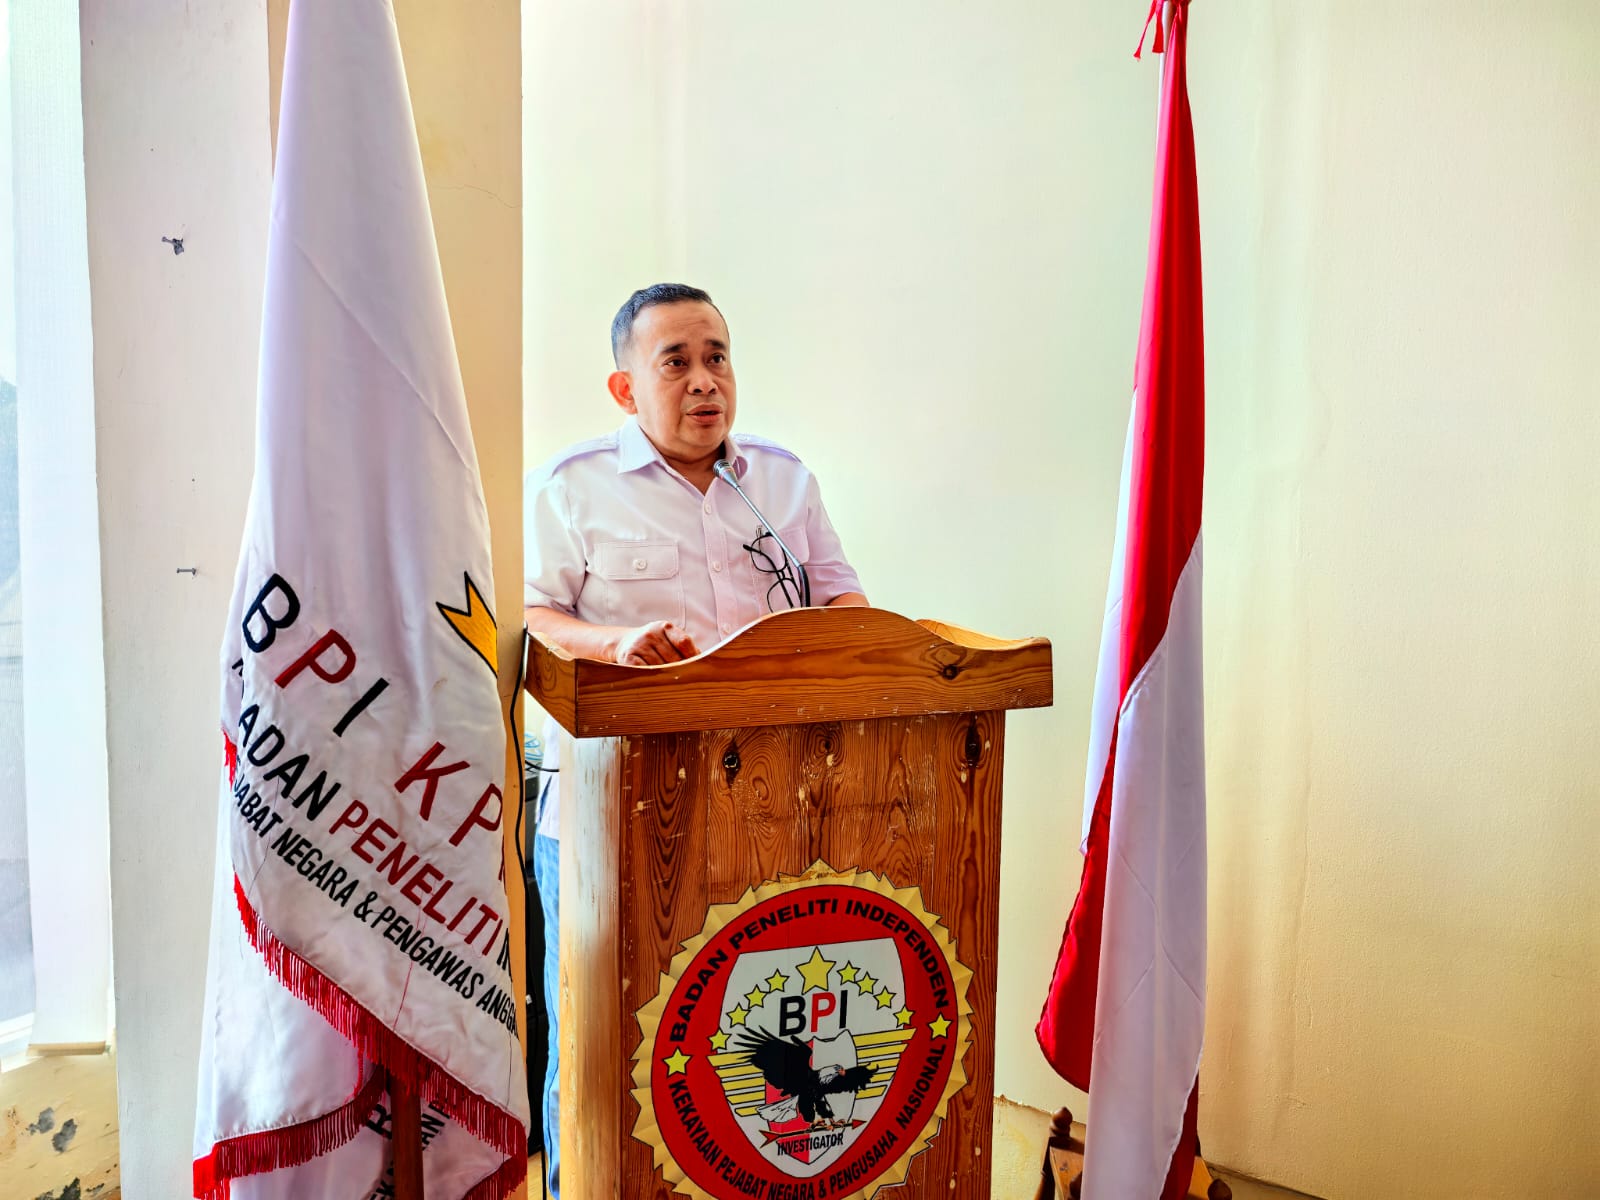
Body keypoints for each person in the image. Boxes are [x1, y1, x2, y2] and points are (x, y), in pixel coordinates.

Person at [521, 283, 868, 1195]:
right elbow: (527, 621)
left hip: (774, 802)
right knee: (601, 1037)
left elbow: (843, 595)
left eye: (717, 357)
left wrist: (852, 639)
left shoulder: (782, 482)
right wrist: (613, 645)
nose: (704, 380)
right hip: (611, 810)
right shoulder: (571, 487)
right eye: (675, 362)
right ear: (625, 388)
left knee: (738, 1021)